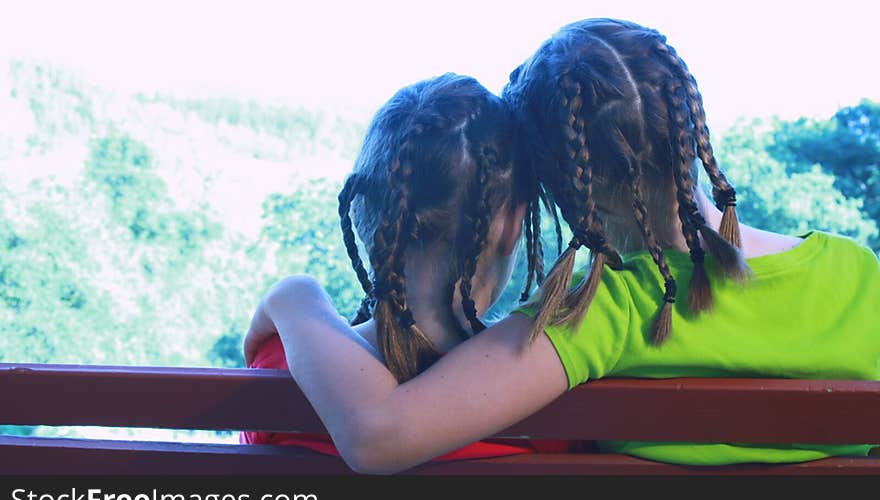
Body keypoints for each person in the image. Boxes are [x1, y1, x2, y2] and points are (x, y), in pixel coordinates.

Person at [244, 19, 880, 474]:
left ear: (566, 186)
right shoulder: (856, 273)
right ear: (689, 128)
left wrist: (294, 297)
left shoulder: (603, 315)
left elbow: (382, 433)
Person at [242, 72, 583, 459]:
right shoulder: (544, 390)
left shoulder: (282, 361)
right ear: (512, 225)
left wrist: (294, 297)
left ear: (364, 215)